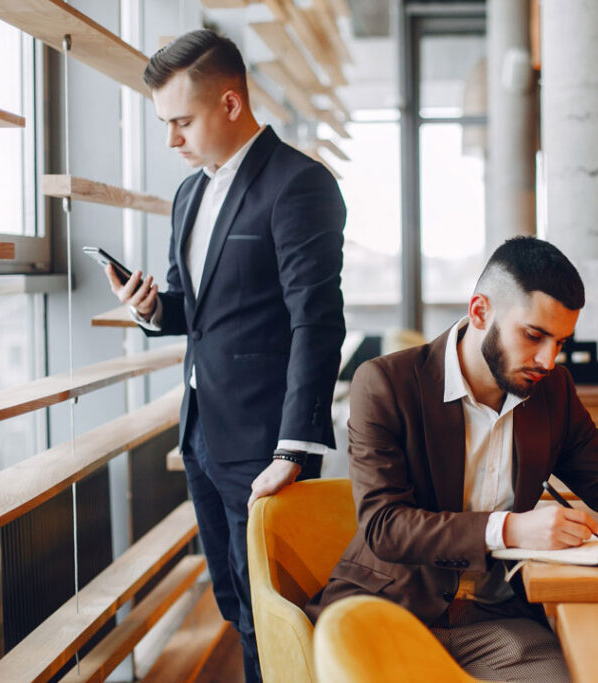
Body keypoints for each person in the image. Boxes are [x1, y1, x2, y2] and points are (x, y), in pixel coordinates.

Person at [306, 237, 598, 682]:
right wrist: (509, 529)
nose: (549, 360)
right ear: (479, 312)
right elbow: (384, 525)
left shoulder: (553, 391)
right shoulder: (385, 383)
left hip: (495, 620)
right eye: (534, 335)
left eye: (561, 342)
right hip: (387, 609)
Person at [105, 30, 345, 682]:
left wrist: (294, 450)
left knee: (282, 611)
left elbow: (317, 324)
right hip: (202, 437)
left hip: (268, 448)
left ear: (232, 103)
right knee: (236, 604)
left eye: (182, 121)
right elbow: (195, 307)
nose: (171, 140)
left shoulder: (299, 185)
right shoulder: (189, 194)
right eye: (164, 124)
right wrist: (152, 307)